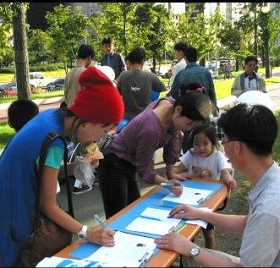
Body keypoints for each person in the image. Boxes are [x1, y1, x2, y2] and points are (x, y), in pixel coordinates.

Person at [0, 66, 124, 267]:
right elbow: (47, 205)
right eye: (104, 130)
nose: (101, 138)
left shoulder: (49, 119)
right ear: (86, 121)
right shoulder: (54, 143)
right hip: (11, 219)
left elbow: (40, 167)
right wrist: (87, 232)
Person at [154, 103, 280, 267]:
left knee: (188, 257)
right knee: (187, 257)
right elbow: (250, 222)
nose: (222, 144)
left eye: (224, 139)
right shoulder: (277, 179)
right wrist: (201, 213)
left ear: (237, 147)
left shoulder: (272, 206)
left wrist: (190, 248)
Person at [98, 87, 213, 219]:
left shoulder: (170, 104)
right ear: (179, 110)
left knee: (133, 210)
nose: (188, 129)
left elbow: (173, 140)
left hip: (128, 162)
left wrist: (171, 173)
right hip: (114, 164)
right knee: (118, 216)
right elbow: (144, 171)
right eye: (188, 124)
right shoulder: (151, 129)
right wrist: (167, 184)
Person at [173, 124, 236, 250]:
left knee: (208, 234)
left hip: (208, 201)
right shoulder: (190, 154)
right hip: (188, 198)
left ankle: (209, 255)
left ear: (213, 143)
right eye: (196, 143)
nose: (200, 147)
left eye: (205, 143)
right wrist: (175, 174)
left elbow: (225, 172)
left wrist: (230, 180)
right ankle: (189, 256)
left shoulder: (217, 156)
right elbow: (177, 170)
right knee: (187, 232)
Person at [64, 44, 96, 195]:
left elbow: (65, 94)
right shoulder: (85, 73)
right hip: (83, 117)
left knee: (79, 150)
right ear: (89, 58)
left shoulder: (70, 73)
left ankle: (81, 181)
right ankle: (82, 182)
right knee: (89, 149)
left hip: (70, 117)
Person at [117, 47, 166, 121]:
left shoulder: (123, 75)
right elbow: (163, 88)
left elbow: (118, 92)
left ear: (129, 62)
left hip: (127, 118)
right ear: (143, 62)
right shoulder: (150, 76)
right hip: (145, 117)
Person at [168, 46, 218, 116]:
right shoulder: (206, 72)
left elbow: (174, 93)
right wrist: (215, 110)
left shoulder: (181, 74)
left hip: (188, 112)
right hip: (204, 110)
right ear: (197, 57)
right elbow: (212, 92)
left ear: (185, 58)